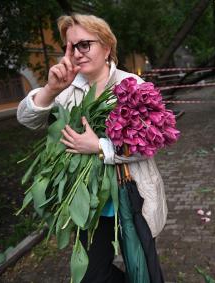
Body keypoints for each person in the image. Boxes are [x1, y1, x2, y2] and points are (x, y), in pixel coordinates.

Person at [17, 14, 167, 283]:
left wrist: (99, 146)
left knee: (142, 269)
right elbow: (27, 119)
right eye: (70, 46)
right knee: (92, 276)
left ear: (107, 47)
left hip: (131, 197)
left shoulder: (132, 85)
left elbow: (151, 143)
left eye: (84, 44)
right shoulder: (67, 89)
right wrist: (50, 90)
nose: (76, 53)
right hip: (89, 204)